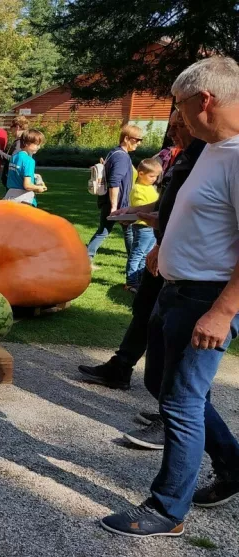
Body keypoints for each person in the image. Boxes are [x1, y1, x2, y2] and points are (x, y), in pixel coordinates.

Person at [100, 56, 239, 539]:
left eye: (180, 105)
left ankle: (167, 509)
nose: (176, 117)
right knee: (161, 383)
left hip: (207, 297)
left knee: (181, 401)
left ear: (206, 100)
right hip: (175, 290)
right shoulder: (211, 149)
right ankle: (234, 465)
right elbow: (199, 214)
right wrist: (164, 245)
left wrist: (223, 311)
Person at [77, 112, 205, 439]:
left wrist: (161, 241)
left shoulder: (210, 158)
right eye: (171, 124)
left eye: (180, 123)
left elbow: (196, 216)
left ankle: (176, 418)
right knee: (145, 313)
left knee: (179, 342)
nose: (171, 130)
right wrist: (138, 214)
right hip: (165, 252)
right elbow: (168, 206)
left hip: (189, 263)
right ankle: (121, 368)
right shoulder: (183, 158)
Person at [85, 124, 144, 277]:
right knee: (126, 232)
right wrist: (114, 206)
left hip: (113, 202)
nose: (139, 143)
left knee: (105, 231)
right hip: (119, 204)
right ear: (126, 139)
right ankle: (135, 265)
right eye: (136, 140)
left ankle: (85, 261)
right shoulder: (122, 157)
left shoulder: (114, 152)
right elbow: (114, 182)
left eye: (140, 140)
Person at [124, 157, 162, 292]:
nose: (154, 179)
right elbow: (140, 207)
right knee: (137, 253)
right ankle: (131, 282)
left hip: (151, 226)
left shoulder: (150, 187)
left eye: (156, 176)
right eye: (151, 176)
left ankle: (139, 278)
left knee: (146, 253)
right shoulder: (139, 189)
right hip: (142, 226)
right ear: (141, 174)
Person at [2, 129, 47, 205]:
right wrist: (39, 188)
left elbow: (18, 173)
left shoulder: (14, 157)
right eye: (37, 144)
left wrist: (35, 175)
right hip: (24, 199)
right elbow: (27, 185)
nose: (39, 147)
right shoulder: (29, 161)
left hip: (10, 196)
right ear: (27, 143)